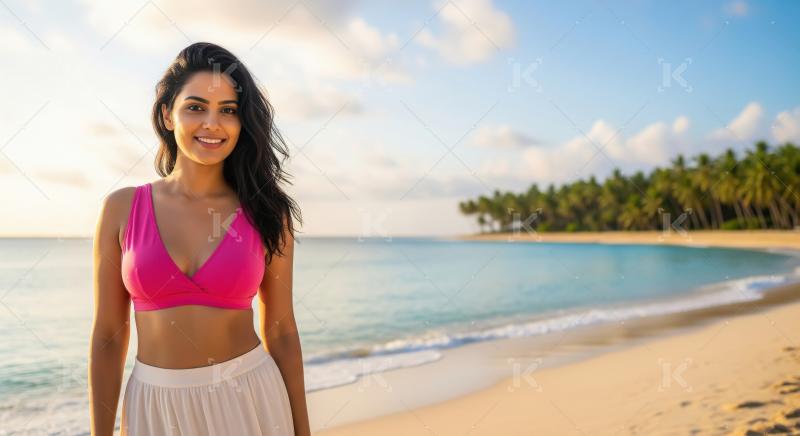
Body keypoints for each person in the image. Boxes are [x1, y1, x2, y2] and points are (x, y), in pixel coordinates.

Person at [89, 42, 309, 435]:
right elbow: (107, 336)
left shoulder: (266, 211)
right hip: (154, 408)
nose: (212, 123)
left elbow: (282, 331)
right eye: (195, 107)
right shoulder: (121, 209)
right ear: (167, 115)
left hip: (249, 400)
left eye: (228, 110)